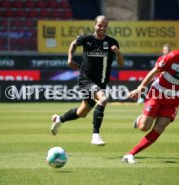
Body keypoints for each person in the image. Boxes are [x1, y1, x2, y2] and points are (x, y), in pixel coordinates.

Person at [122, 35, 179, 163]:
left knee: (159, 128)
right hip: (157, 94)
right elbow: (153, 72)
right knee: (144, 127)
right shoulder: (172, 57)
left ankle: (130, 154)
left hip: (173, 100)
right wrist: (140, 89)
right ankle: (139, 120)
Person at [51, 15, 124, 146]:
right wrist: (69, 58)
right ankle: (95, 135)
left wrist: (118, 53)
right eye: (100, 25)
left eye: (105, 26)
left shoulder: (112, 42)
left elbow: (121, 63)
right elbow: (73, 44)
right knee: (103, 99)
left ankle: (59, 119)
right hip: (86, 80)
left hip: (101, 83)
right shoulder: (86, 39)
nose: (102, 28)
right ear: (95, 25)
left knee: (82, 112)